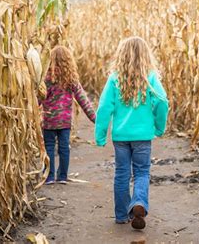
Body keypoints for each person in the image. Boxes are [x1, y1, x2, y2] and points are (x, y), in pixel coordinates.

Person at [95, 36, 169, 230]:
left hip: (121, 137)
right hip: (143, 136)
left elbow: (103, 108)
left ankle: (121, 215)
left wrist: (100, 135)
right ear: (146, 55)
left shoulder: (114, 79)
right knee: (142, 172)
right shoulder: (150, 77)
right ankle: (139, 203)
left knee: (121, 173)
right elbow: (162, 101)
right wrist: (159, 127)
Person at [39, 45, 96, 185]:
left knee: (49, 147)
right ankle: (62, 176)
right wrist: (95, 119)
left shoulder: (46, 78)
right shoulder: (71, 78)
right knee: (64, 147)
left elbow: (38, 98)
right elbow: (83, 99)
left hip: (49, 120)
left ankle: (49, 176)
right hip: (64, 121)